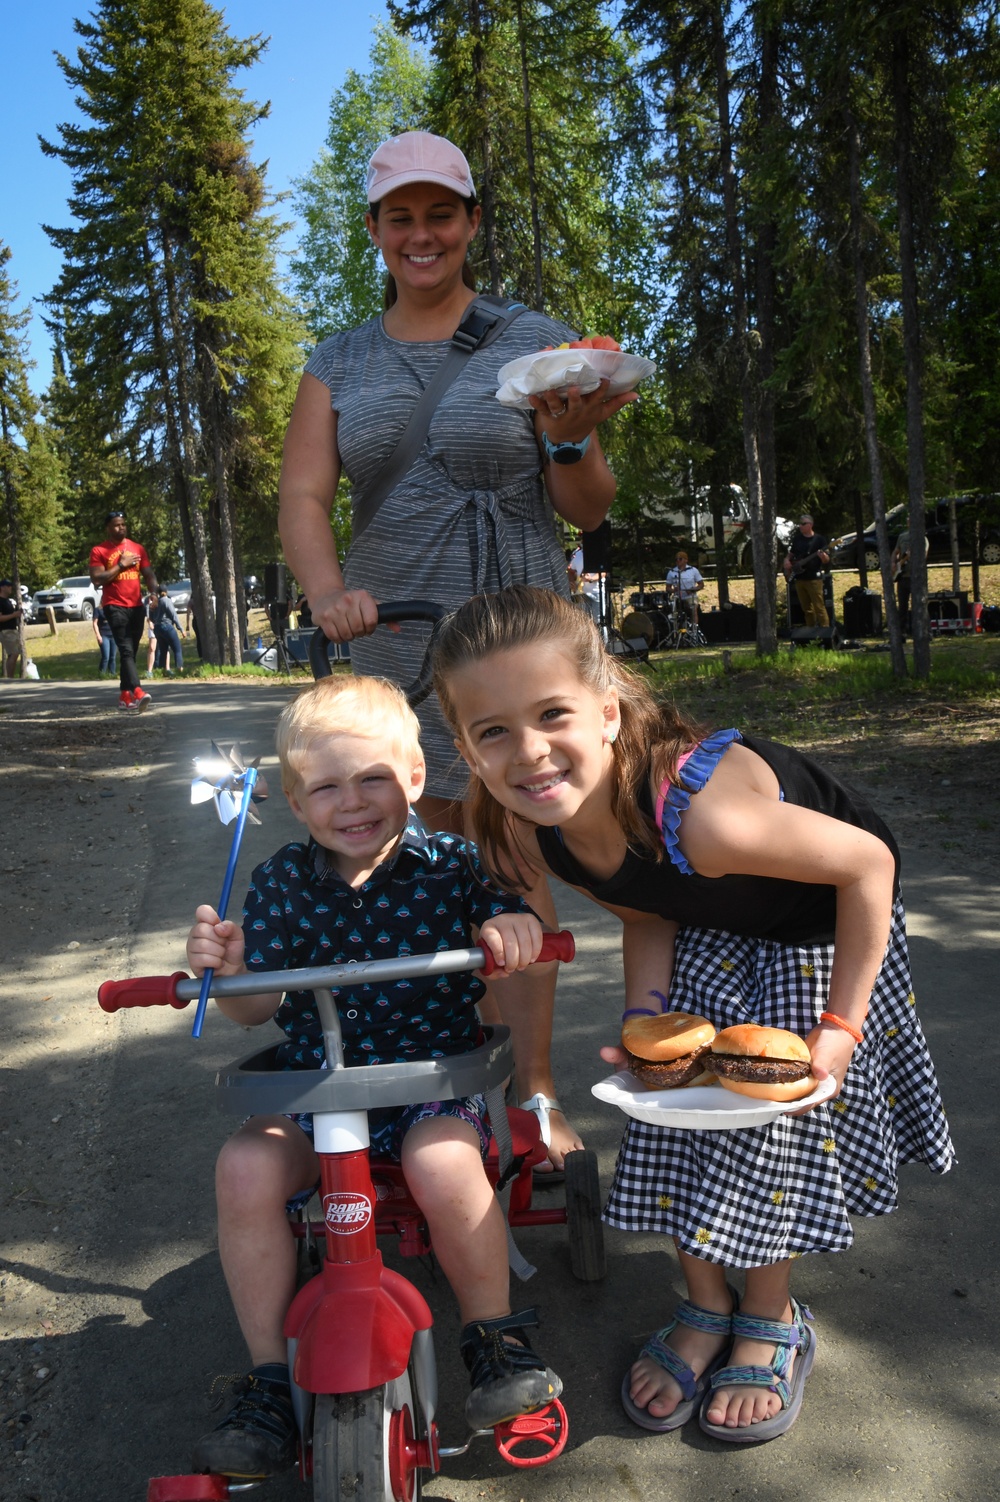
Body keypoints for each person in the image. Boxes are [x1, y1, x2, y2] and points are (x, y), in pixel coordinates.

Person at [431, 584, 954, 1444]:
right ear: (466, 748)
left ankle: (773, 1318)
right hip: (713, 918)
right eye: (494, 732)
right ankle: (704, 1306)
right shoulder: (540, 825)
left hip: (820, 924)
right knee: (672, 1111)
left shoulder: (702, 816)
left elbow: (867, 867)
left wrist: (842, 1026)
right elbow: (647, 908)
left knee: (756, 1117)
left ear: (605, 712)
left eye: (552, 714)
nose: (529, 753)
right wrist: (649, 1020)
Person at [277, 129, 637, 1174]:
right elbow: (304, 495)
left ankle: (526, 1092)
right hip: (392, 639)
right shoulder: (339, 359)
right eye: (402, 216)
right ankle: (425, 1086)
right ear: (376, 232)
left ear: (471, 222)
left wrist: (569, 435)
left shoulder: (534, 342)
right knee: (406, 866)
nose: (422, 233)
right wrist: (326, 592)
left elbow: (586, 501)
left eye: (442, 213)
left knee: (513, 861)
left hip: (514, 646)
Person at [184, 674, 562, 1478]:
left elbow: (509, 908)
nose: (351, 803)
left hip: (430, 1081)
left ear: (416, 779)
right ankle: (267, 1378)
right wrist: (234, 970)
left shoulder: (454, 864)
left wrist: (511, 922)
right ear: (293, 798)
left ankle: (493, 1336)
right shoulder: (283, 883)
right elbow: (254, 1013)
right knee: (244, 1164)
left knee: (443, 1163)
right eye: (325, 787)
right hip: (315, 1087)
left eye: (373, 779)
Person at [88, 511, 157, 709]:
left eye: (124, 524)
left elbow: (149, 573)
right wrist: (121, 564)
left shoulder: (137, 548)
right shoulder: (99, 550)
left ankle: (124, 695)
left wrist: (154, 593)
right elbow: (98, 579)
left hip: (136, 606)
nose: (122, 528)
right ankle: (138, 691)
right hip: (114, 605)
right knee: (126, 650)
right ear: (108, 528)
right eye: (117, 525)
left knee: (131, 652)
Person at [783, 515, 830, 628]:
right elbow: (792, 553)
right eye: (800, 524)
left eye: (803, 524)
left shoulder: (819, 539)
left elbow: (826, 560)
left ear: (810, 525)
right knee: (806, 609)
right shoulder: (798, 539)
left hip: (813, 578)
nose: (800, 526)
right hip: (799, 578)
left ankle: (825, 632)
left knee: (819, 607)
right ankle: (810, 633)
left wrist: (822, 556)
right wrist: (786, 560)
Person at [890, 527, 929, 636]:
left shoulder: (922, 538)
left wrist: (914, 556)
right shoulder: (902, 537)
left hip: (916, 578)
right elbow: (895, 551)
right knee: (902, 607)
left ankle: (925, 632)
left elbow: (924, 555)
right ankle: (902, 632)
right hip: (902, 577)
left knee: (919, 605)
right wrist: (893, 562)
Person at [664, 550, 704, 627]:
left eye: (680, 559)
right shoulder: (672, 572)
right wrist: (673, 590)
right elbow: (667, 588)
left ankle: (694, 629)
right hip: (677, 597)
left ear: (686, 560)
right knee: (672, 611)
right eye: (676, 559)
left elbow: (701, 584)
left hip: (690, 596)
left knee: (693, 609)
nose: (678, 561)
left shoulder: (693, 570)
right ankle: (675, 629)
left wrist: (693, 589)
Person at [568, 541, 603, 626]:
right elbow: (570, 570)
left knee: (597, 621)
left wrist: (591, 579)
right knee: (582, 620)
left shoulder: (598, 553)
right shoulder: (577, 555)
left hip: (597, 592)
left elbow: (603, 573)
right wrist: (572, 582)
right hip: (581, 592)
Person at [151, 586, 185, 673]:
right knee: (177, 649)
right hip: (167, 626)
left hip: (157, 628)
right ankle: (180, 669)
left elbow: (151, 616)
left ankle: (162, 671)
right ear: (166, 591)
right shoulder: (166, 600)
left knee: (163, 651)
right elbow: (173, 615)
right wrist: (181, 629)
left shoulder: (156, 602)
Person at [0, 579, 24, 679]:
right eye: (8, 585)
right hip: (6, 630)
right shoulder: (0, 601)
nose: (10, 587)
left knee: (14, 653)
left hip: (12, 629)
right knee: (14, 653)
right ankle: (10, 677)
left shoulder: (8, 601)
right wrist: (14, 615)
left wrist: (17, 613)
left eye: (11, 585)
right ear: (2, 587)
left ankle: (11, 677)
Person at [92, 603, 118, 678]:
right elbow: (95, 623)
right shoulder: (98, 610)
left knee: (113, 656)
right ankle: (102, 673)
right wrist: (98, 635)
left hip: (113, 635)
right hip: (103, 634)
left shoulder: (113, 609)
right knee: (106, 656)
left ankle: (112, 674)